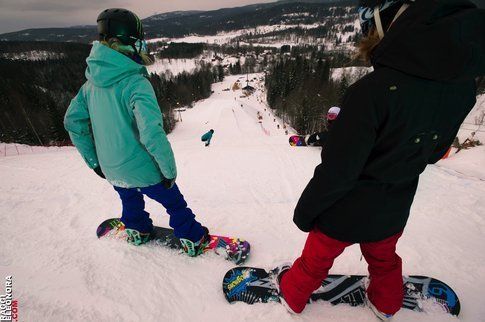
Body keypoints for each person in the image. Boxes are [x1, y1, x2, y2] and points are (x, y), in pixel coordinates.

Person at [274, 0, 484, 319]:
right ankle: (387, 304)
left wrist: (306, 212)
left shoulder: (371, 92)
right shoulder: (462, 90)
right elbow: (433, 152)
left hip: (342, 211)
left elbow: (338, 172)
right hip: (394, 205)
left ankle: (292, 294)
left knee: (315, 260)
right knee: (384, 260)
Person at [64, 8, 210, 256]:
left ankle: (138, 229)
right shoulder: (136, 83)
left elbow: (73, 122)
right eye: (140, 43)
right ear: (127, 44)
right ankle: (192, 237)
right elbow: (151, 132)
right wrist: (168, 171)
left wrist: (95, 162)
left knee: (129, 198)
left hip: (111, 169)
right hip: (143, 169)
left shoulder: (89, 86)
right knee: (174, 202)